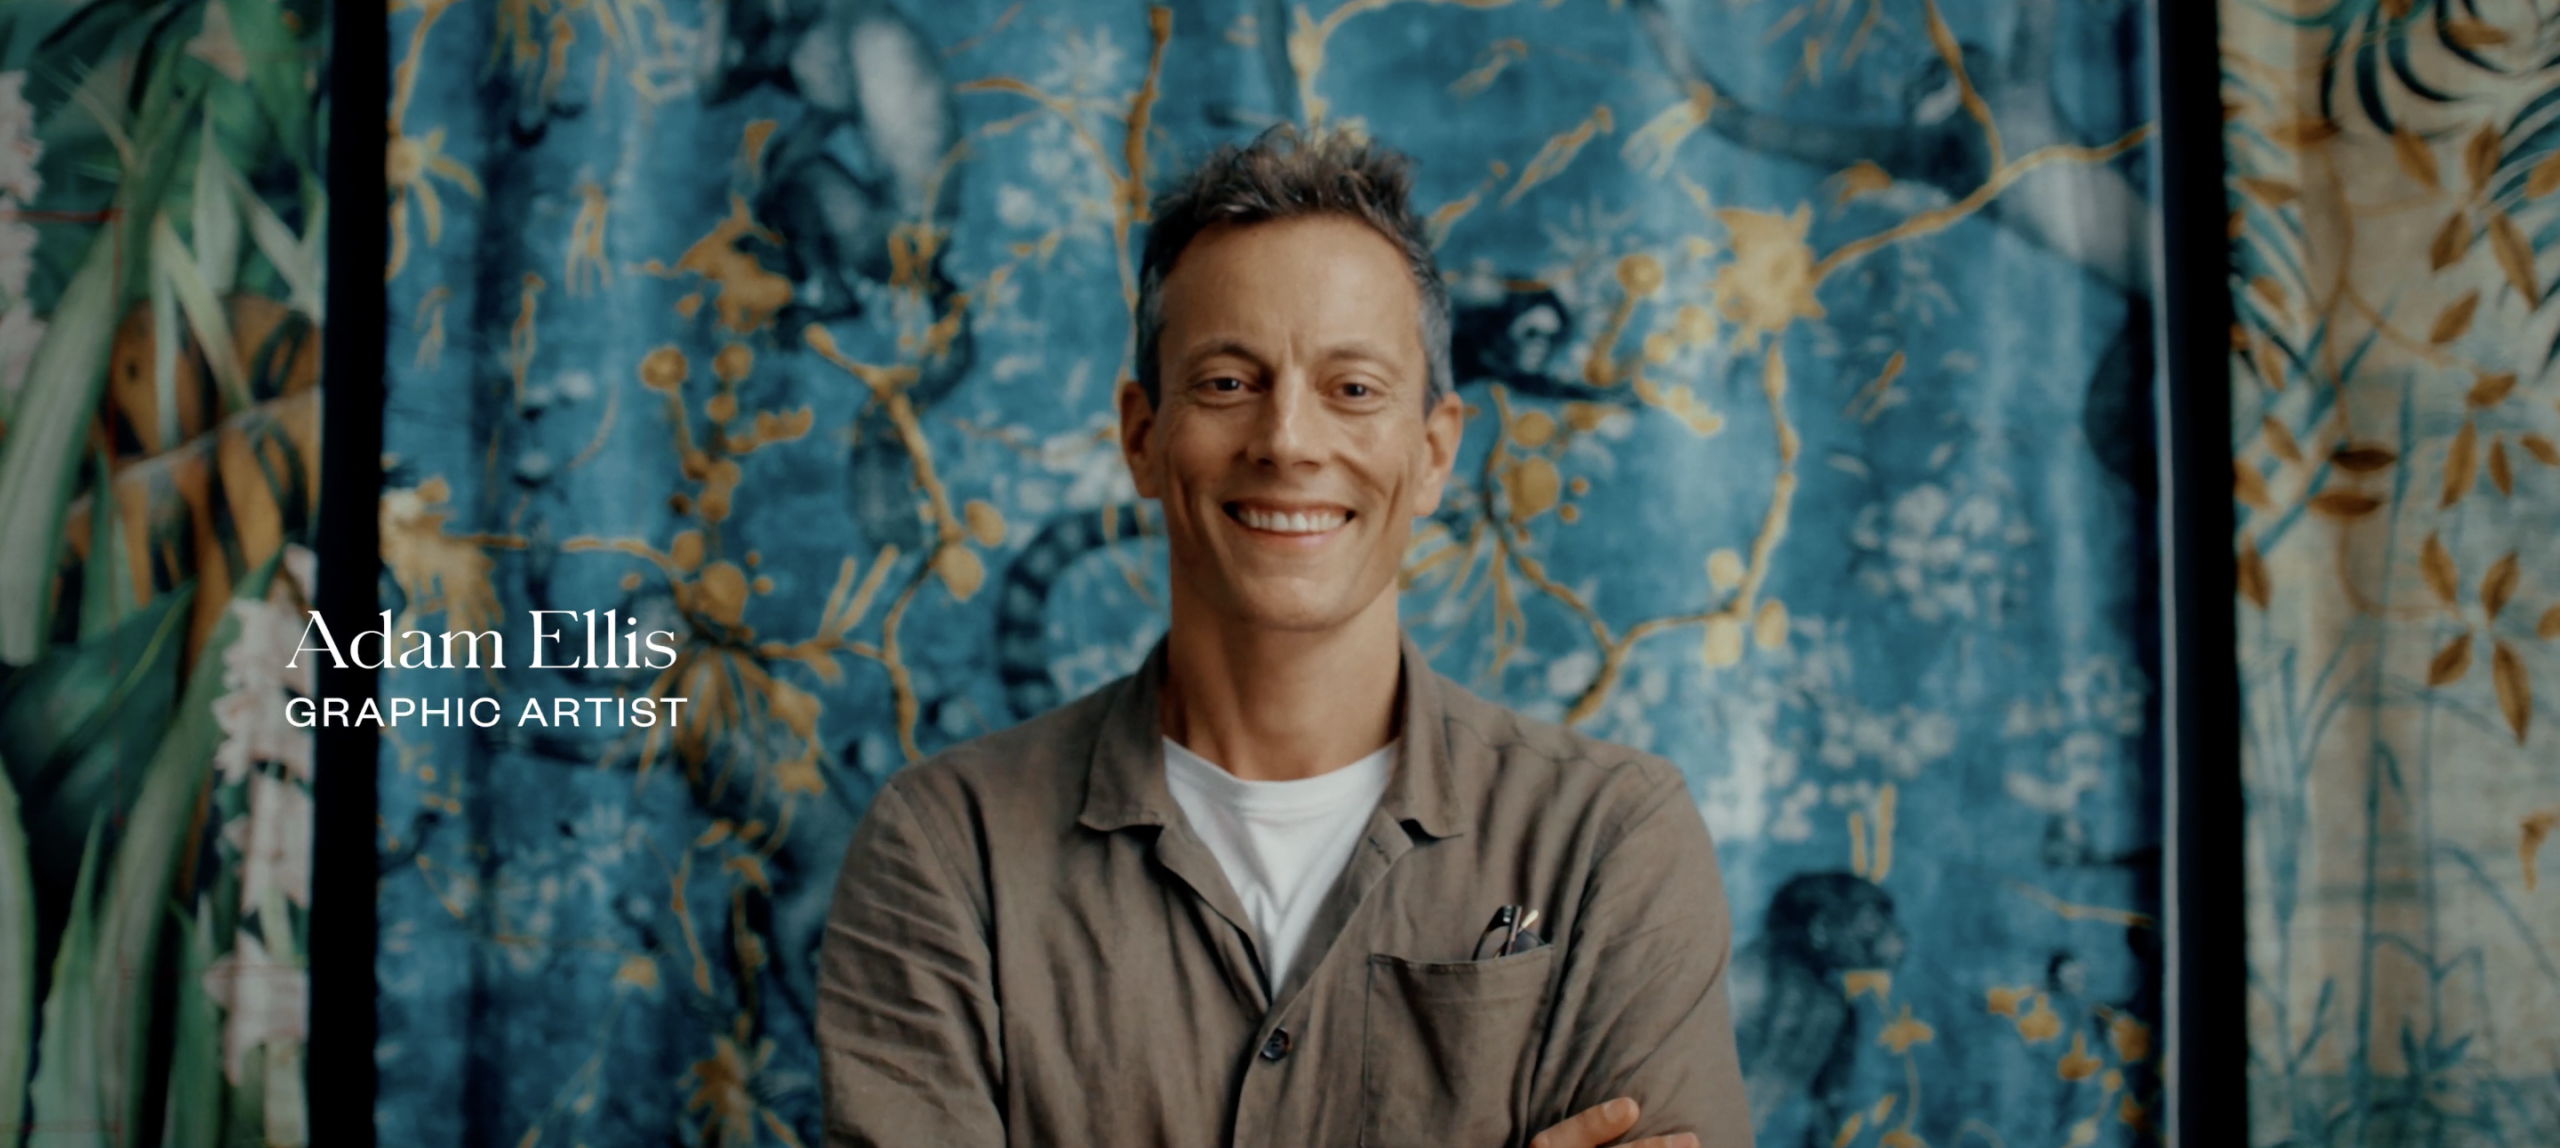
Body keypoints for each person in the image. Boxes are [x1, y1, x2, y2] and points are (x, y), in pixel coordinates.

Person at [815, 125, 1749, 1148]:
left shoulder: (1608, 840)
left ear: (1433, 452)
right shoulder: (950, 851)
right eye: (1226, 381)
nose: (1289, 441)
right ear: (1141, 434)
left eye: (1352, 389)